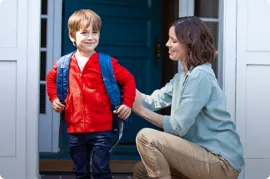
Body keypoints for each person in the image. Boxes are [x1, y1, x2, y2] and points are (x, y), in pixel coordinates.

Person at [132, 16, 244, 179]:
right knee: (141, 170)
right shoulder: (182, 77)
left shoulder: (200, 76)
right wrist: (123, 86)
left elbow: (178, 126)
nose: (167, 44)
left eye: (173, 40)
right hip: (199, 155)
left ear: (190, 45)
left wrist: (140, 111)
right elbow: (152, 101)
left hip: (220, 161)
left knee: (146, 137)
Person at [46, 9, 136, 179]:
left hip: (101, 128)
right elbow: (50, 80)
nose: (91, 37)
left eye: (95, 32)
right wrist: (54, 98)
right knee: (80, 170)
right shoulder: (64, 64)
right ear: (72, 36)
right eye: (84, 32)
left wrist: (127, 104)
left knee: (100, 168)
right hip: (74, 128)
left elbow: (128, 80)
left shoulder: (106, 62)